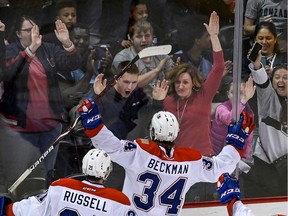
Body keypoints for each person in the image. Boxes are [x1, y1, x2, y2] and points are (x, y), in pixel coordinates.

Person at [77, 96, 255, 215]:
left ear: (152, 132)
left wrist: (94, 124)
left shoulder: (140, 152)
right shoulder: (190, 161)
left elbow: (110, 146)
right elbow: (221, 168)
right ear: (176, 133)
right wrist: (235, 143)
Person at [0, 15, 81, 185]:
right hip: (21, 130)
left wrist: (67, 42)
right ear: (18, 33)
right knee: (18, 178)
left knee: (46, 176)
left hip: (50, 126)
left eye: (35, 28)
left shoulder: (48, 49)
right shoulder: (11, 51)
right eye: (28, 30)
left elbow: (72, 64)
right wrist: (30, 50)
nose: (33, 33)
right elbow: (8, 74)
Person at [87, 61, 168, 191]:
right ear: (117, 79)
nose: (130, 87)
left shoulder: (138, 98)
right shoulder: (105, 95)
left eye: (134, 82)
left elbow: (152, 126)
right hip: (110, 164)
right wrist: (97, 97)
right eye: (126, 82)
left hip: (134, 163)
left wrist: (158, 103)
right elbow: (88, 119)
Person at [0, 148, 136, 215]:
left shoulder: (62, 187)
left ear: (84, 166)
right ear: (107, 171)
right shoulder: (119, 201)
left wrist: (5, 208)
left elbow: (30, 209)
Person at [164, 11, 224, 156]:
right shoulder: (168, 101)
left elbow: (218, 67)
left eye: (185, 82)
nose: (181, 86)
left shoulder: (204, 95)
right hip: (176, 161)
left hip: (201, 158)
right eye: (177, 82)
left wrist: (214, 37)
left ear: (193, 83)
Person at [241, 53, 287, 197]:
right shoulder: (268, 98)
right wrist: (257, 65)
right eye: (277, 77)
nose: (281, 80)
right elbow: (262, 83)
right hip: (266, 168)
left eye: (285, 77)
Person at [211, 75, 256, 161]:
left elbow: (248, 138)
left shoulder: (249, 112)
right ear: (228, 94)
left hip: (236, 157)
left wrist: (245, 156)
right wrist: (243, 101)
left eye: (241, 93)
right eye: (233, 92)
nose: (237, 96)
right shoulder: (222, 108)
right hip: (217, 156)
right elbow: (230, 119)